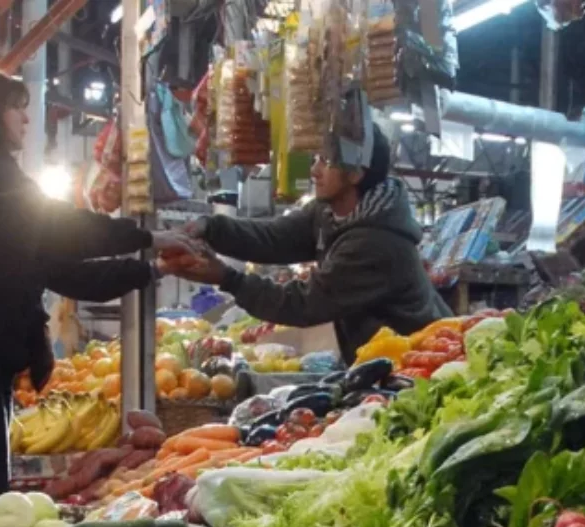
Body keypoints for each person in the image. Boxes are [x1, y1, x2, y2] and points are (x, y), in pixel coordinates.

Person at [0, 62, 196, 502]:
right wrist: (148, 237)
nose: (26, 119)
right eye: (15, 108)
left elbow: (66, 271)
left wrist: (155, 268)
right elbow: (60, 227)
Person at [161, 122, 451, 361]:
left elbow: (303, 304)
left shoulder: (375, 242)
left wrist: (227, 278)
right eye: (316, 159)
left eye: (326, 161)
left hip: (419, 359)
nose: (313, 170)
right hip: (378, 356)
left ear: (356, 172)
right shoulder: (329, 212)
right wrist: (210, 228)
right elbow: (274, 238)